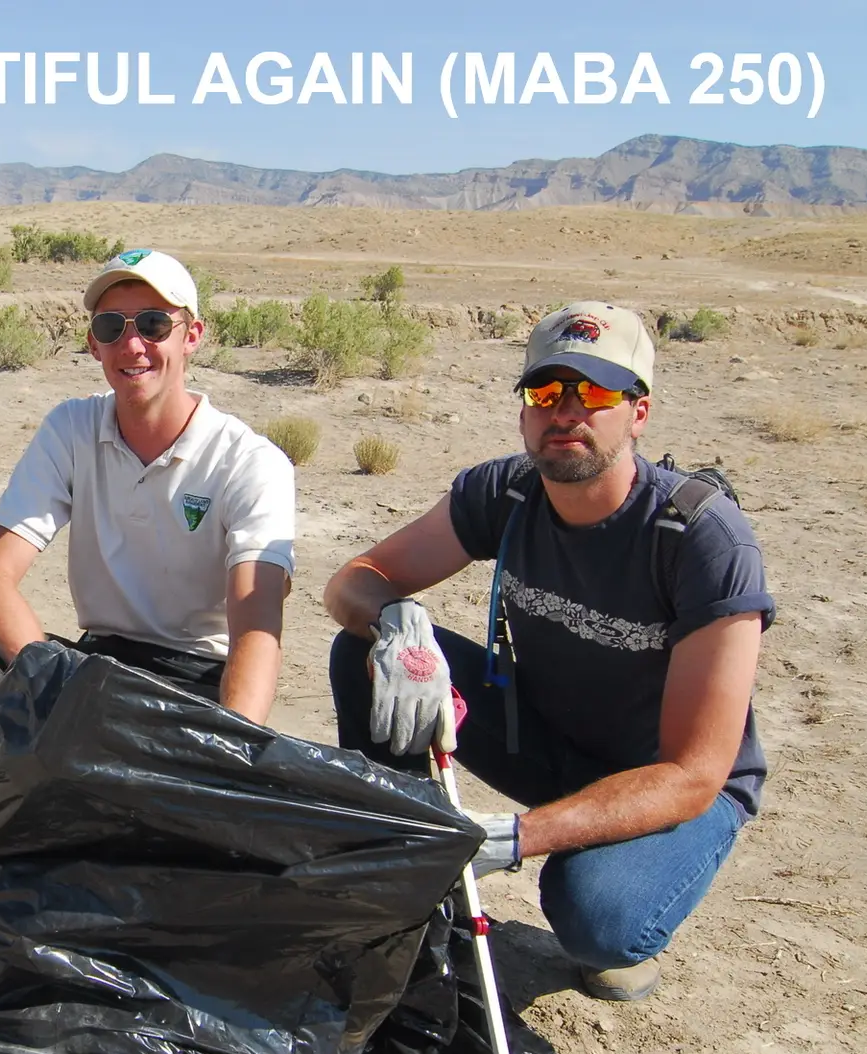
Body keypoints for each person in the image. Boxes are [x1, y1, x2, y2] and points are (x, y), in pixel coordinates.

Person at [324, 301, 774, 1002]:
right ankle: (406, 865)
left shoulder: (701, 540)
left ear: (639, 412)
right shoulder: (504, 493)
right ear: (524, 411)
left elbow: (694, 773)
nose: (566, 412)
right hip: (545, 739)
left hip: (669, 783)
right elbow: (353, 582)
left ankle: (629, 910)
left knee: (597, 916)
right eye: (545, 392)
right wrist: (395, 620)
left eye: (594, 392)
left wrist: (517, 836)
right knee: (365, 653)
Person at [0, 249, 295, 735]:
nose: (132, 345)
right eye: (112, 327)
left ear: (192, 336)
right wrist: (57, 691)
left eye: (153, 325)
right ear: (94, 343)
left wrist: (233, 746)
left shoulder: (249, 461)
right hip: (96, 661)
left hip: (197, 677)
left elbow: (256, 624)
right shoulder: (72, 428)